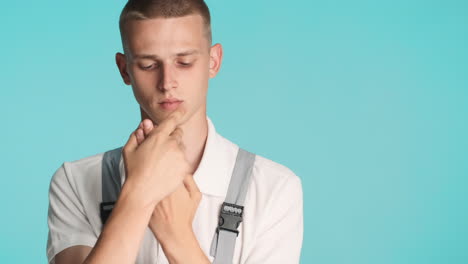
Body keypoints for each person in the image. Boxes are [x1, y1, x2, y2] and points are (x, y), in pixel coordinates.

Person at [46, 0, 303, 263]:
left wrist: (176, 233)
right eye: (148, 65)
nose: (167, 82)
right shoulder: (75, 181)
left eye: (184, 62)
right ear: (124, 69)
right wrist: (137, 195)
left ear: (213, 62)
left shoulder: (274, 187)